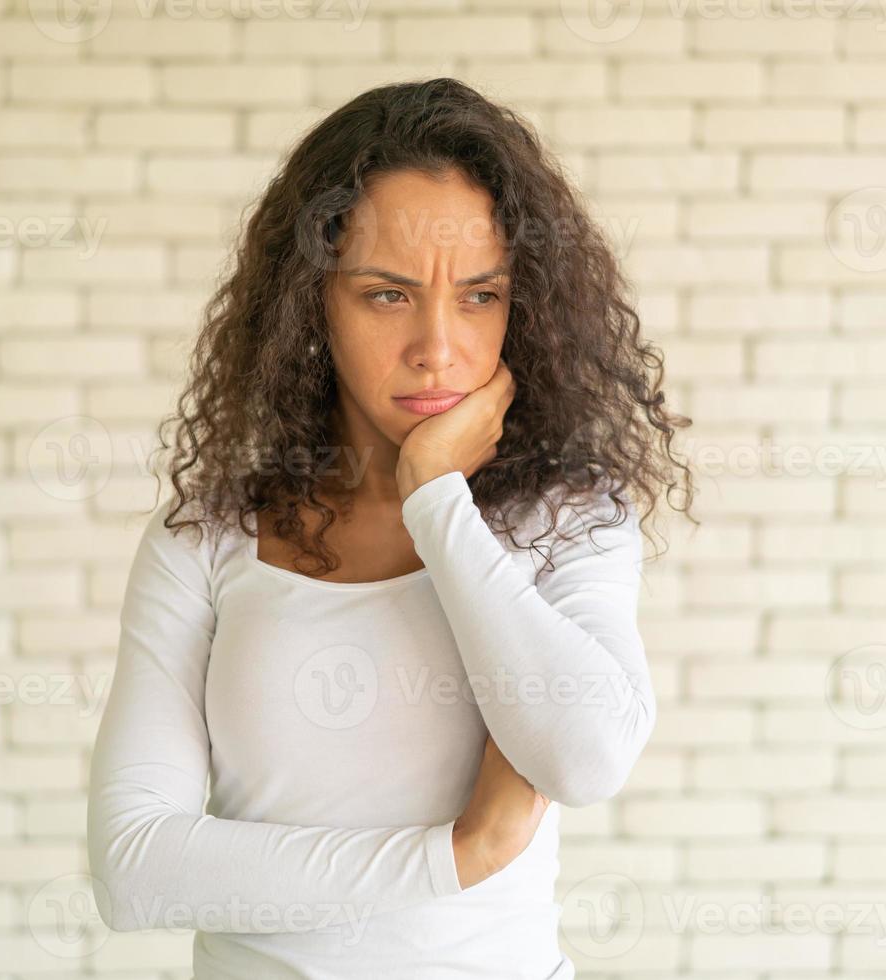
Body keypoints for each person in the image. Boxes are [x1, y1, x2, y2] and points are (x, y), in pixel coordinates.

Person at [86, 76, 695, 979]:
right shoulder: (209, 537)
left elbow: (587, 756)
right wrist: (459, 856)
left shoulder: (567, 522)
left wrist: (436, 500)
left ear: (521, 305)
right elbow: (134, 869)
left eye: (480, 296)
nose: (437, 348)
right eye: (386, 295)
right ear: (312, 300)